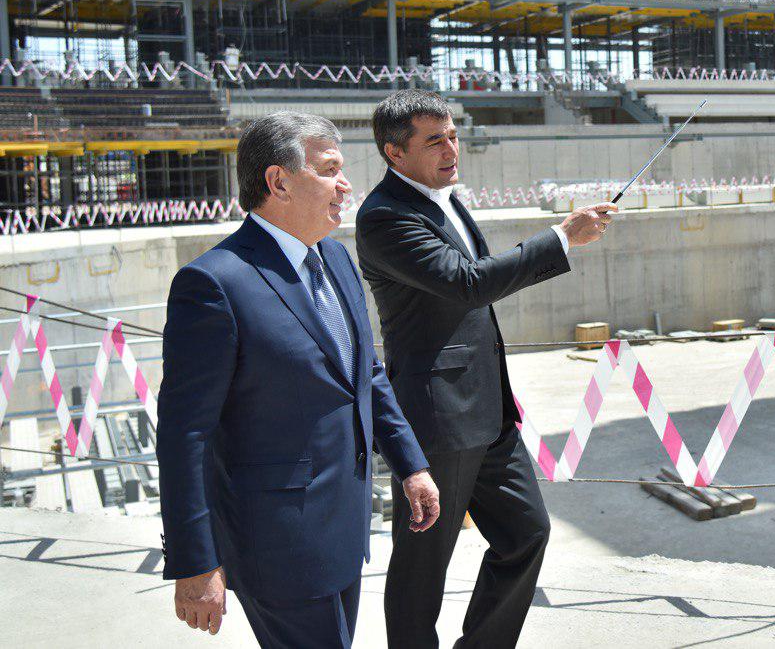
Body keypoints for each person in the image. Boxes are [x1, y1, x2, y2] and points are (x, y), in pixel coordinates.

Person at [157, 112, 440, 648]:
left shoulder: (333, 256)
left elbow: (366, 374)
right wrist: (194, 563)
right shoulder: (214, 284)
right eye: (330, 170)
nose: (346, 184)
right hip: (276, 544)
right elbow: (183, 436)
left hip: (343, 530)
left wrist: (411, 464)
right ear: (278, 181)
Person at [356, 90, 616, 648]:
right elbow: (469, 283)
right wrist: (562, 239)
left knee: (527, 533)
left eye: (453, 136)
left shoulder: (443, 198)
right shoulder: (384, 217)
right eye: (435, 141)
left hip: (489, 412)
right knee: (422, 571)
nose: (452, 149)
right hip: (436, 421)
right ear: (393, 152)